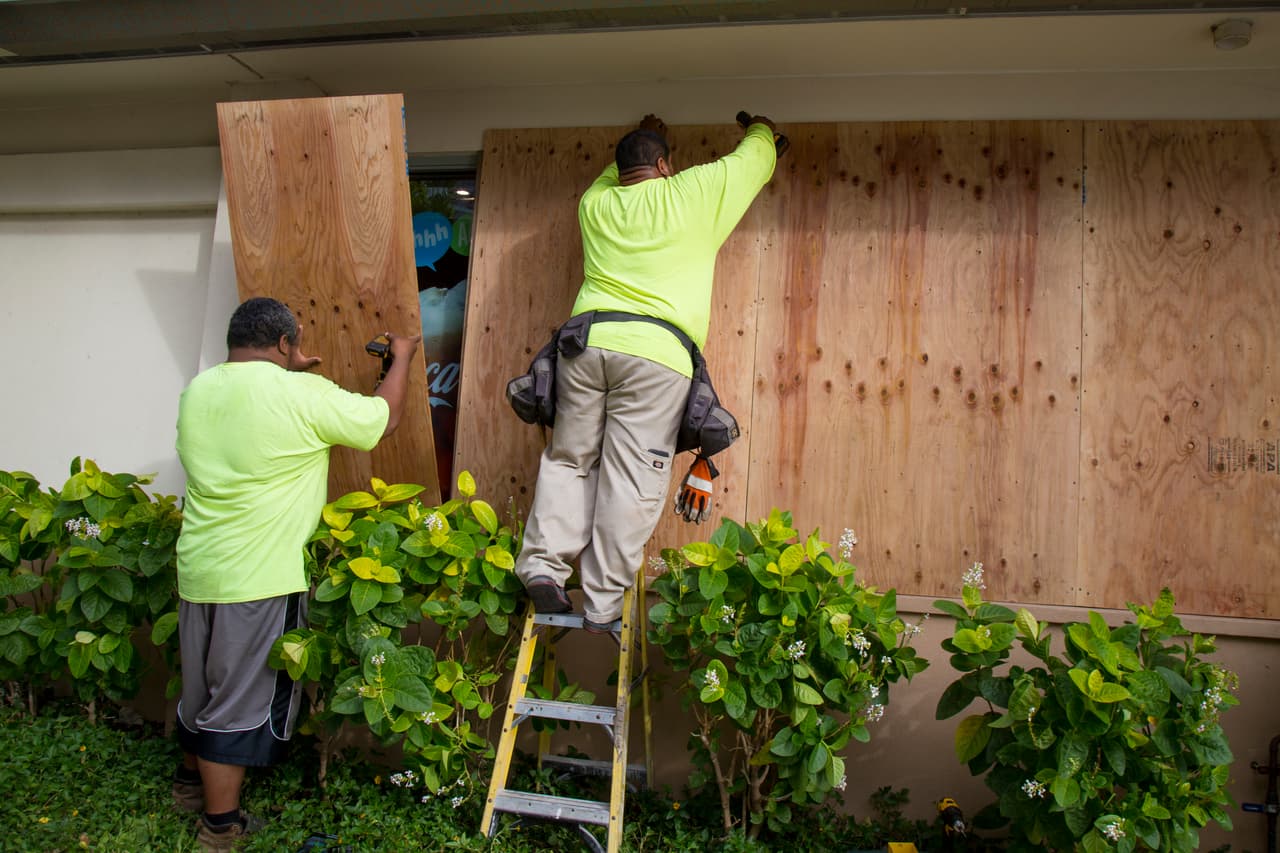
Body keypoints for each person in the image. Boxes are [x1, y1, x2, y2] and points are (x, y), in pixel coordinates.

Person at [170, 296, 420, 851]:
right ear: (286, 343)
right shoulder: (303, 395)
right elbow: (384, 419)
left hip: (199, 570)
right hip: (258, 578)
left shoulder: (199, 390)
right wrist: (400, 358)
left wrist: (292, 375)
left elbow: (252, 419)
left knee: (200, 687)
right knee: (236, 701)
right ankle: (220, 825)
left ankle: (188, 786)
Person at [514, 113, 780, 631]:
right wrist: (762, 130)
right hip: (657, 357)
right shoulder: (694, 192)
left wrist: (640, 137)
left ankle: (543, 567)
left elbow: (614, 174)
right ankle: (601, 603)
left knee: (570, 460)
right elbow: (756, 161)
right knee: (630, 478)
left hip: (585, 346)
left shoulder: (596, 203)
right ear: (664, 164)